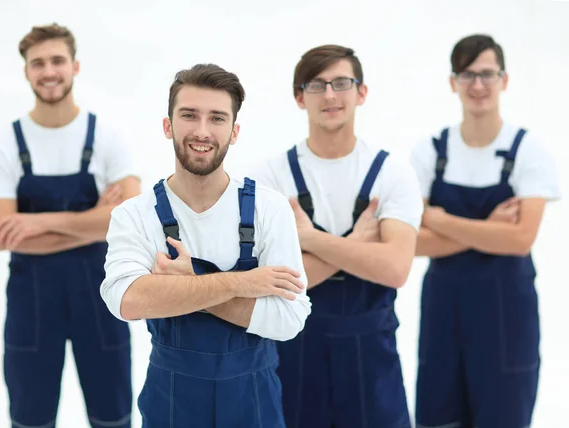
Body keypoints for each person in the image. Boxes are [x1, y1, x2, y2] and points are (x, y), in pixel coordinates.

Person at [100, 63, 312, 428]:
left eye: (216, 118)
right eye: (189, 116)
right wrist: (242, 283)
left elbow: (289, 319)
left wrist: (181, 285)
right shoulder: (134, 215)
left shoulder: (269, 208)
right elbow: (126, 301)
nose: (202, 131)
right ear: (168, 126)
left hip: (254, 400)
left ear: (234, 131)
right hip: (171, 400)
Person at [247, 45, 424, 428]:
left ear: (361, 92)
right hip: (293, 357)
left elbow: (395, 269)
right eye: (316, 85)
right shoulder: (270, 177)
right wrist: (359, 246)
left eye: (341, 83)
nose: (329, 95)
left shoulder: (392, 173)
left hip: (372, 361)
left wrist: (307, 240)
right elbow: (272, 284)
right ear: (299, 98)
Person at [0, 23, 140, 428]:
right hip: (31, 306)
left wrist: (38, 223)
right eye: (38, 63)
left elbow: (130, 221)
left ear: (75, 66)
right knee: (30, 419)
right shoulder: (3, 144)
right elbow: (2, 235)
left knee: (113, 418)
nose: (48, 71)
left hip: (102, 300)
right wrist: (94, 220)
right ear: (26, 72)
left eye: (57, 61)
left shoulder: (107, 135)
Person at [411, 34, 561, 428]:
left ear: (504, 80)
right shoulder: (429, 152)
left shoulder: (529, 152)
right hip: (444, 317)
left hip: (506, 321)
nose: (478, 85)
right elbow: (409, 243)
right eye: (467, 75)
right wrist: (488, 228)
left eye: (487, 74)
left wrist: (438, 220)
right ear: (452, 82)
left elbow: (520, 239)